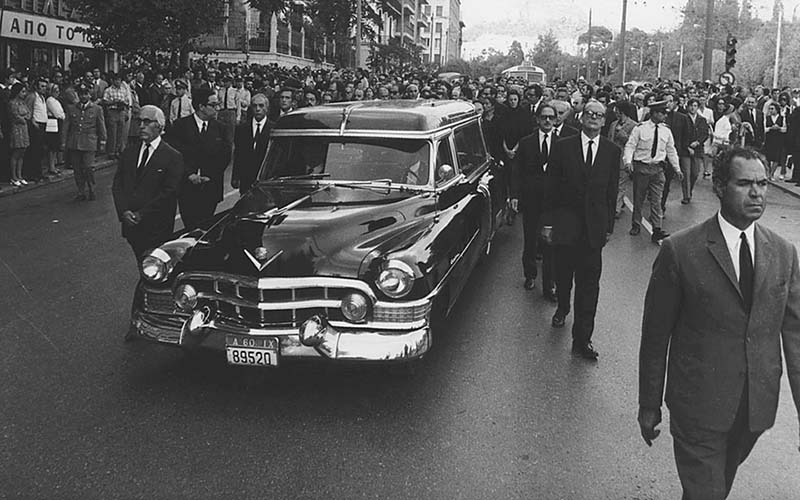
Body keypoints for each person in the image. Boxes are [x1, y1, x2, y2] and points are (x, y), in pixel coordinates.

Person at [638, 146, 800, 500]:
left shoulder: (783, 253)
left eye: (763, 184)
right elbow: (655, 335)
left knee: (714, 487)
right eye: (745, 184)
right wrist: (649, 403)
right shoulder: (680, 251)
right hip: (697, 408)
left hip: (753, 410)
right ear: (720, 187)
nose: (757, 193)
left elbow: (796, 340)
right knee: (707, 492)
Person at [542, 100, 620, 360]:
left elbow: (611, 192)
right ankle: (563, 306)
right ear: (581, 117)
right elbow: (550, 188)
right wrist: (548, 223)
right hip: (566, 227)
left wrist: (608, 227)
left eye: (599, 115)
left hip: (593, 231)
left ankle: (583, 339)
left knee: (589, 287)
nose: (594, 118)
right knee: (564, 277)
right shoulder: (563, 147)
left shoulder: (611, 151)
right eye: (589, 113)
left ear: (604, 121)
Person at [112, 105, 184, 262]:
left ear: (159, 126)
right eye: (139, 122)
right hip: (131, 225)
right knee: (141, 262)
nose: (141, 126)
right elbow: (118, 184)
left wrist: (142, 214)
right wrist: (124, 211)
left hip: (156, 227)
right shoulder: (129, 152)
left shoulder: (172, 156)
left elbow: (169, 192)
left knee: (153, 266)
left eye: (147, 122)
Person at [166, 88, 231, 230]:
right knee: (191, 226)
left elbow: (225, 156)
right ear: (201, 106)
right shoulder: (180, 126)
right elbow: (175, 155)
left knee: (206, 227)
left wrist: (210, 175)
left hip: (210, 186)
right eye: (213, 105)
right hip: (187, 187)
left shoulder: (221, 128)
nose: (217, 108)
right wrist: (189, 174)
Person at [510, 103, 557, 300]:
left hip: (553, 202)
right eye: (544, 117)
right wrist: (514, 195)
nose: (547, 121)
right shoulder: (526, 142)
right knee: (530, 240)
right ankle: (530, 275)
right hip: (531, 200)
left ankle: (549, 285)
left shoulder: (562, 143)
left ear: (555, 120)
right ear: (537, 119)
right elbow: (517, 171)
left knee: (551, 244)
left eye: (551, 117)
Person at [624, 100, 683, 244]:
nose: (665, 116)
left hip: (658, 169)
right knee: (639, 198)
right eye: (662, 113)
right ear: (654, 113)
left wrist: (677, 168)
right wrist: (628, 161)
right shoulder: (640, 129)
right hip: (642, 168)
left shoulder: (666, 130)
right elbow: (630, 146)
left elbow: (671, 150)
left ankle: (657, 229)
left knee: (657, 200)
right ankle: (636, 224)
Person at [62, 85, 107, 201]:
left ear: (90, 95)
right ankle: (81, 191)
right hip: (75, 142)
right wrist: (63, 142)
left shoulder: (97, 109)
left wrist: (103, 141)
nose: (83, 96)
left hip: (89, 142)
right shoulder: (72, 108)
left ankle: (92, 188)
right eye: (81, 94)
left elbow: (101, 126)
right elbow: (66, 126)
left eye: (86, 94)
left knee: (88, 167)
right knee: (77, 169)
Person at [232, 93, 271, 195]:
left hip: (266, 179)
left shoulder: (273, 129)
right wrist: (235, 176)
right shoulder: (242, 129)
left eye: (261, 106)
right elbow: (238, 154)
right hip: (246, 179)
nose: (258, 109)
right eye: (254, 106)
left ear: (267, 108)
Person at [607, 101, 637, 217]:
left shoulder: (634, 125)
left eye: (617, 111)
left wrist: (622, 134)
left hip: (624, 158)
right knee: (612, 183)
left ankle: (616, 208)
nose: (616, 113)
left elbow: (633, 143)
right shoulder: (613, 124)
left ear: (622, 112)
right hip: (612, 157)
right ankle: (619, 202)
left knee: (621, 184)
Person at [682, 98, 709, 203]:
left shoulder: (702, 120)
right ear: (687, 107)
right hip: (685, 150)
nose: (693, 108)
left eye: (695, 106)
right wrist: (687, 147)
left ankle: (690, 190)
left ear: (697, 107)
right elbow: (680, 135)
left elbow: (705, 134)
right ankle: (686, 196)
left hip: (697, 150)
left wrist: (698, 142)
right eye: (691, 106)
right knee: (686, 173)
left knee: (695, 173)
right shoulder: (683, 118)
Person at [8, 83, 30, 186]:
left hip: (24, 128)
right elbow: (15, 116)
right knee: (16, 153)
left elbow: (28, 113)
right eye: (22, 92)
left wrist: (25, 117)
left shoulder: (23, 103)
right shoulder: (12, 103)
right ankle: (14, 177)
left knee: (22, 152)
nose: (24, 94)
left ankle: (20, 175)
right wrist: (23, 118)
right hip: (16, 129)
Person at [44, 83, 66, 176]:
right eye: (55, 91)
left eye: (58, 91)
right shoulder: (50, 100)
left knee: (55, 145)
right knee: (52, 146)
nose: (58, 93)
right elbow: (57, 113)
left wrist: (62, 115)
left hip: (57, 123)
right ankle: (51, 166)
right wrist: (62, 115)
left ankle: (53, 165)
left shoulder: (56, 101)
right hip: (52, 123)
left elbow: (62, 112)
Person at [764, 102, 787, 180]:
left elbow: (785, 129)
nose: (770, 110)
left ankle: (771, 174)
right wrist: (770, 128)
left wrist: (779, 128)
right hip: (769, 139)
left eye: (772, 109)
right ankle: (768, 172)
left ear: (777, 109)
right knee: (768, 157)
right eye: (769, 109)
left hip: (778, 140)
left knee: (776, 158)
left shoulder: (782, 118)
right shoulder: (767, 118)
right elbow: (764, 128)